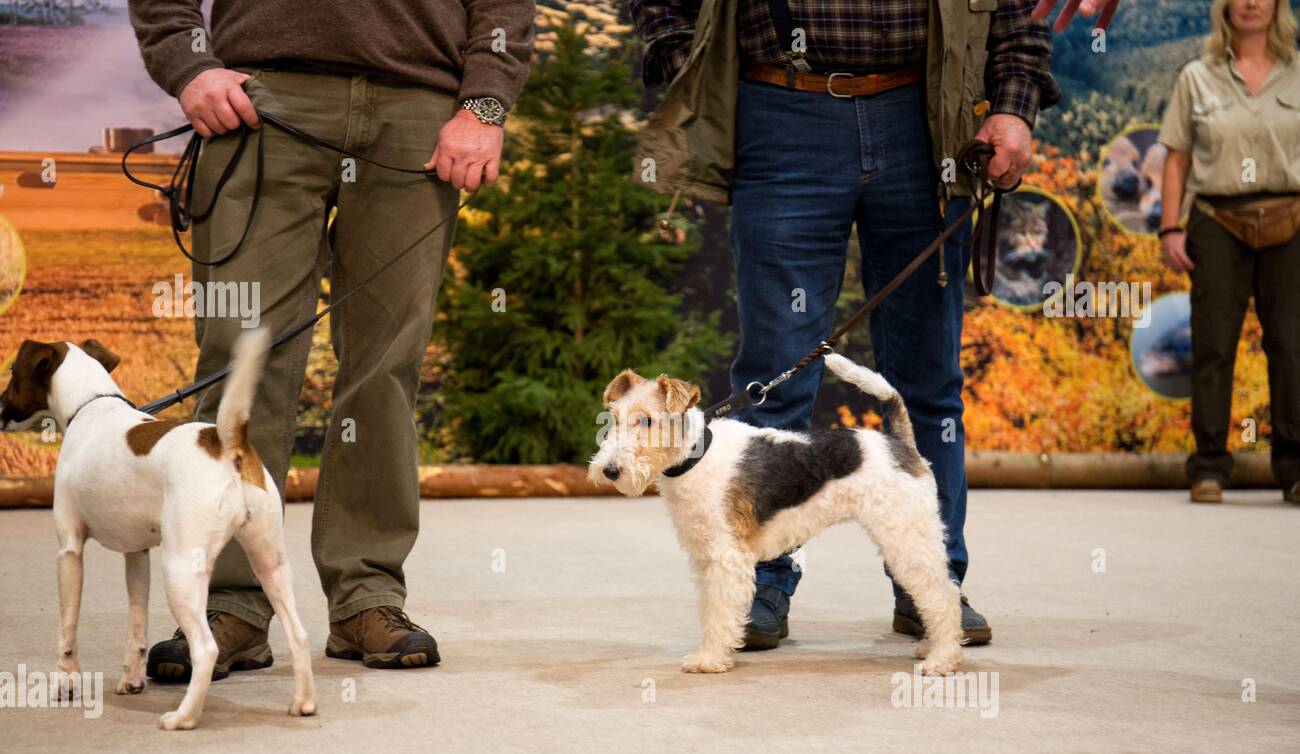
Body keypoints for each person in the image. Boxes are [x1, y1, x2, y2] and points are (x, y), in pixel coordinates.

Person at [630, 0, 1058, 649]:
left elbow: (1018, 9)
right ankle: (761, 579)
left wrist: (1014, 103)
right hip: (779, 110)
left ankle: (929, 584)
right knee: (775, 376)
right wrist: (690, 63)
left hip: (927, 116)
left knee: (927, 382)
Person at [128, 1, 535, 678]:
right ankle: (228, 601)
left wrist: (485, 104)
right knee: (241, 358)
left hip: (418, 111)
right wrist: (188, 63)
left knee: (386, 365)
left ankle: (366, 594)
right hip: (260, 101)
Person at [1158, 0, 1300, 505]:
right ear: (1224, 8)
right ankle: (1210, 468)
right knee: (1214, 346)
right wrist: (1170, 227)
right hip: (1217, 220)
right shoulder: (1197, 77)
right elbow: (1176, 157)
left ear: (1279, 7)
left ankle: (1294, 468)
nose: (1251, 3)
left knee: (1291, 344)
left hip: (1292, 219)